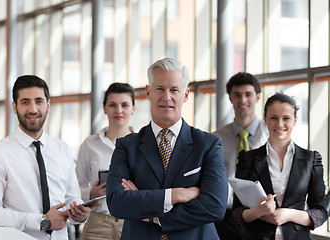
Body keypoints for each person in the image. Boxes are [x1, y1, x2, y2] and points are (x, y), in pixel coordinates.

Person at [106, 57, 228, 240]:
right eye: (160, 89)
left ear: (186, 95)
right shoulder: (126, 146)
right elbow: (117, 203)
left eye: (174, 90)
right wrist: (175, 195)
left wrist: (154, 214)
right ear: (148, 92)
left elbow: (215, 207)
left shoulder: (208, 145)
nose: (167, 97)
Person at [0, 75, 98, 240]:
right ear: (15, 107)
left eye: (39, 101)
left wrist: (80, 214)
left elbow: (72, 197)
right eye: (25, 102)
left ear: (48, 105)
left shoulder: (62, 149)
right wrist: (43, 221)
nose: (33, 109)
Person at [233, 92, 328, 240]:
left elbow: (321, 213)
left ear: (295, 120)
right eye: (273, 118)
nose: (279, 124)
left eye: (286, 118)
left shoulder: (311, 159)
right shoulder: (247, 158)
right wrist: (257, 211)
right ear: (265, 119)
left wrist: (289, 214)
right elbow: (237, 213)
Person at [76, 82, 136, 240]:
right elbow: (74, 188)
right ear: (104, 108)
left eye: (124, 105)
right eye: (112, 105)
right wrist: (91, 193)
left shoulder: (144, 145)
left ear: (133, 108)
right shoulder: (90, 144)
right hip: (97, 225)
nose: (119, 110)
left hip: (133, 223)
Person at [214, 72, 269, 239]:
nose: (242, 100)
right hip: (226, 216)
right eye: (236, 95)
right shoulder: (217, 138)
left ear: (258, 97)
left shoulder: (271, 135)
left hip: (261, 214)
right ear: (230, 98)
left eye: (248, 94)